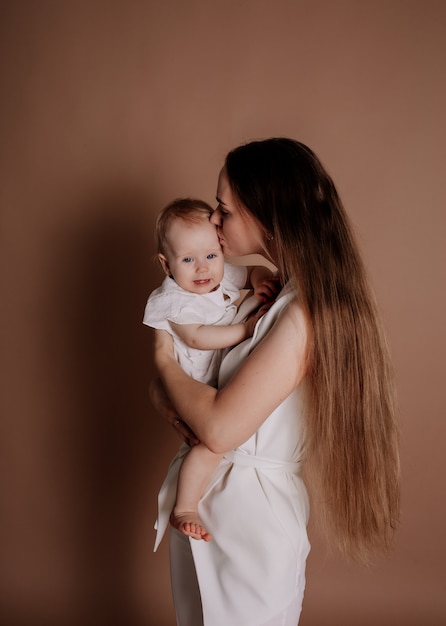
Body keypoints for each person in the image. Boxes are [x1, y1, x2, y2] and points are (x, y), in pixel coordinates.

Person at [150, 139, 400, 626]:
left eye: (223, 210)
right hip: (208, 504)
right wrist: (168, 389)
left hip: (250, 524)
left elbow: (220, 426)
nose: (213, 222)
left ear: (266, 215)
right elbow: (201, 382)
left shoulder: (304, 313)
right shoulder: (270, 291)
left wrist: (163, 366)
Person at [143, 198, 278, 548]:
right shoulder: (172, 299)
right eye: (188, 260)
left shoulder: (215, 273)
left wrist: (262, 278)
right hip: (193, 384)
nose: (202, 269)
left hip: (214, 380)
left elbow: (248, 272)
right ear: (166, 264)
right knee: (209, 446)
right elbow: (196, 337)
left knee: (214, 442)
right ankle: (184, 508)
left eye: (211, 256)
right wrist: (245, 331)